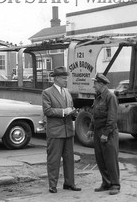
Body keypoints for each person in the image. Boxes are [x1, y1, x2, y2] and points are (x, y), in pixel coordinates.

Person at [42, 66, 81, 194]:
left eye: (66, 78)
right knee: (54, 159)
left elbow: (70, 107)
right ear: (57, 78)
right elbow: (47, 111)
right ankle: (52, 185)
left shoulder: (67, 92)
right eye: (64, 78)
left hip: (68, 131)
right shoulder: (47, 93)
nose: (66, 81)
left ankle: (69, 183)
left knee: (69, 159)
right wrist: (64, 112)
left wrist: (74, 112)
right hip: (55, 132)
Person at [87, 73, 120, 195]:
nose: (93, 86)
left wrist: (106, 133)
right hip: (98, 132)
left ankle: (115, 184)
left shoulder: (110, 97)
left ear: (100, 84)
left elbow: (112, 117)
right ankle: (106, 183)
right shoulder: (98, 97)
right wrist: (91, 128)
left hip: (108, 132)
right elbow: (94, 114)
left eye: (94, 83)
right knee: (100, 159)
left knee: (110, 159)